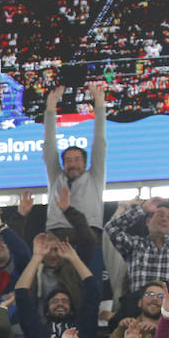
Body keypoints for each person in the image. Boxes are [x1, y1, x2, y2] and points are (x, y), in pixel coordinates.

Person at [43, 82, 107, 237]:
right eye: (68, 160)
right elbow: (50, 145)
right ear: (63, 164)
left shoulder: (94, 178)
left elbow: (99, 141)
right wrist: (51, 106)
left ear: (85, 163)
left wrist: (99, 103)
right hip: (56, 233)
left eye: (77, 160)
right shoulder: (56, 178)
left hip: (88, 231)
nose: (73, 164)